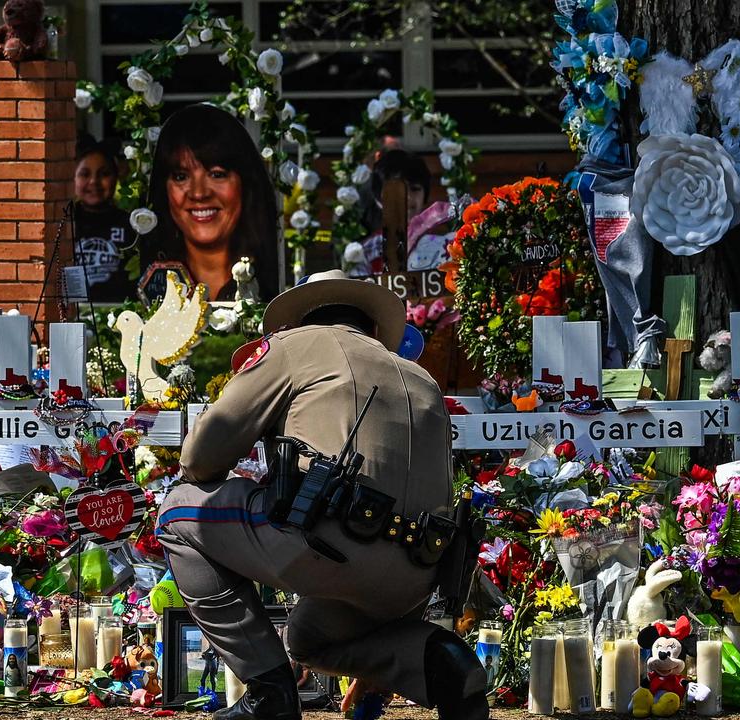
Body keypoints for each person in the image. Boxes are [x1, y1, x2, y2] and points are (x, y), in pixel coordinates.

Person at [156, 269, 485, 720]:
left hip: (327, 539)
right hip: (416, 578)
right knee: (308, 639)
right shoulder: (421, 379)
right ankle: (439, 658)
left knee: (175, 511)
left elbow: (199, 457)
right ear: (371, 327)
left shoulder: (294, 346)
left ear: (303, 320)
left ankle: (268, 693)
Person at [144, 104, 280, 302]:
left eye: (217, 174)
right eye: (181, 176)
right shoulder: (150, 285)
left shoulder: (279, 278)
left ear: (245, 184)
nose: (199, 193)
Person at [347, 149, 454, 277]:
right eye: (396, 192)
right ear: (378, 198)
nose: (407, 197)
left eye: (414, 189)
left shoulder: (444, 245)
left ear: (425, 195)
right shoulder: (366, 251)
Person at [68, 136, 137, 304]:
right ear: (73, 178)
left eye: (104, 174)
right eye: (85, 174)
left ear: (116, 177)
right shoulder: (64, 223)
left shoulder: (131, 225)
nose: (94, 182)